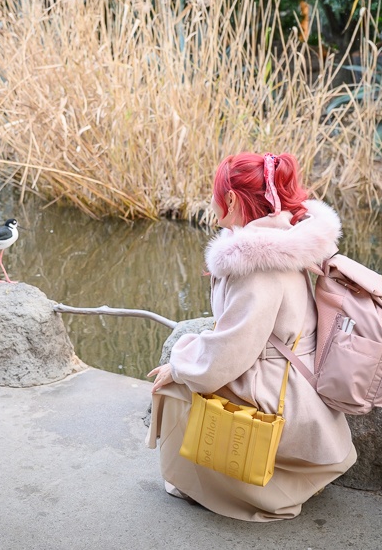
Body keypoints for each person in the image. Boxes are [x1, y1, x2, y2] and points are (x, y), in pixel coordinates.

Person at [146, 151, 355, 521]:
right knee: (186, 369)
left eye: (216, 193)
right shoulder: (287, 242)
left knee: (176, 385)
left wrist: (177, 367)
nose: (211, 201)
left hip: (278, 397)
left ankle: (226, 489)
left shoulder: (255, 264)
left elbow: (230, 353)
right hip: (299, 384)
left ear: (229, 199)